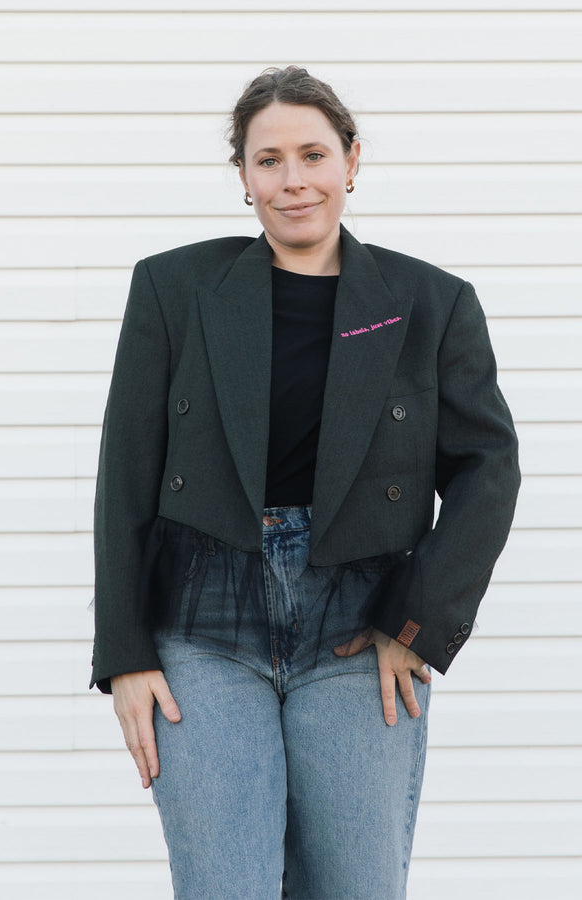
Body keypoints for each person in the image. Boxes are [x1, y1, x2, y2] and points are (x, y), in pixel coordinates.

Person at [90, 66, 520, 899]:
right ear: (243, 178)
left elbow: (488, 471)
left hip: (360, 627)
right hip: (200, 624)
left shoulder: (431, 302)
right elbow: (126, 474)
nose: (294, 181)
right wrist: (125, 652)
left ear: (352, 160)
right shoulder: (174, 289)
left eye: (314, 154)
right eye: (269, 160)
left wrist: (416, 621)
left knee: (358, 887)